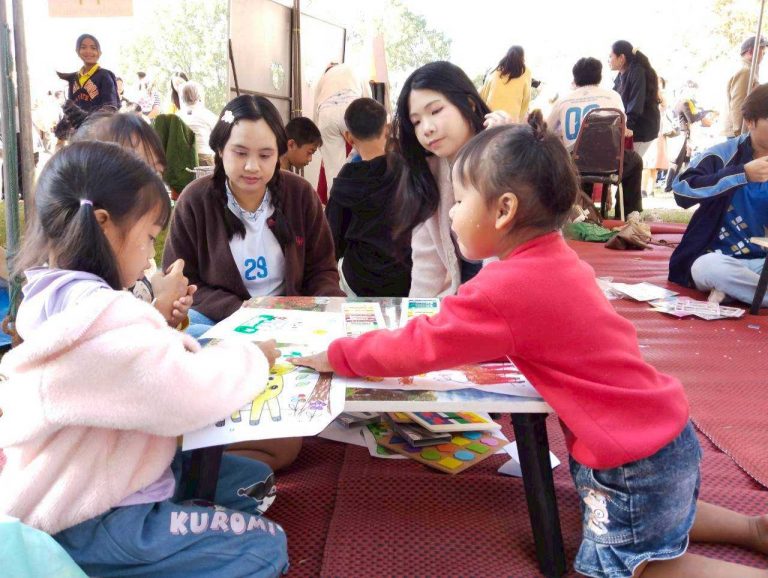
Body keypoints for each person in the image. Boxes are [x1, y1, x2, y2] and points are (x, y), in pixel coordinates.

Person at [296, 115, 768, 578]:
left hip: (630, 459)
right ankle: (753, 528)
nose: (452, 213)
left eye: (459, 201)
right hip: (661, 435)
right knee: (660, 513)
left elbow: (421, 345)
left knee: (637, 565)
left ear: (503, 210)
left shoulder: (505, 287)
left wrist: (340, 354)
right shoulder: (557, 257)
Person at [0, 141, 289, 577]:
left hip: (93, 479)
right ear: (103, 225)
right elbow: (185, 392)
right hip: (95, 515)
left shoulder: (52, 294)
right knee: (265, 547)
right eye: (149, 238)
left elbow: (142, 365)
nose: (151, 255)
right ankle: (104, 562)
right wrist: (253, 359)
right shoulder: (99, 315)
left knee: (252, 483)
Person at [163, 94, 344, 469]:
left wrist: (329, 309)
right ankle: (201, 438)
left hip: (292, 323)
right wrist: (244, 310)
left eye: (265, 155)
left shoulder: (299, 195)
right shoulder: (196, 201)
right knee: (188, 340)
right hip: (221, 321)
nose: (252, 166)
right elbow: (181, 281)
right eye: (240, 152)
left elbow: (323, 270)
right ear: (220, 149)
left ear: (280, 153)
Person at [392, 60, 510, 298]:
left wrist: (505, 149)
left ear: (469, 104)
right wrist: (416, 315)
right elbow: (427, 261)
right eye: (416, 121)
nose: (426, 128)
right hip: (467, 294)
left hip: (512, 294)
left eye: (435, 111)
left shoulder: (509, 153)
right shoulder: (429, 171)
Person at [72, 111, 196, 328]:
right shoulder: (84, 291)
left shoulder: (133, 252)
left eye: (156, 172)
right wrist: (161, 309)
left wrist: (170, 309)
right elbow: (125, 343)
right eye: (138, 171)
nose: (153, 186)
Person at [669, 84, 768, 308]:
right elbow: (681, 191)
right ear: (750, 121)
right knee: (709, 268)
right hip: (716, 258)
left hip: (762, 264)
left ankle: (737, 291)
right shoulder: (724, 154)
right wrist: (741, 174)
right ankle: (745, 290)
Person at [325, 97, 411, 297]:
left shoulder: (345, 180)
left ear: (349, 137)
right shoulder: (406, 170)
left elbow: (332, 240)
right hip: (406, 276)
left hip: (358, 279)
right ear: (387, 129)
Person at [547, 56, 644, 216]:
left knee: (576, 159)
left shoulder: (563, 100)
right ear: (599, 76)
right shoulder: (612, 96)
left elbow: (547, 130)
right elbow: (622, 128)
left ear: (575, 77)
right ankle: (628, 214)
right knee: (634, 161)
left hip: (575, 162)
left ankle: (582, 212)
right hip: (608, 160)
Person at [313, 62, 370, 188]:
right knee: (363, 157)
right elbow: (369, 102)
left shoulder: (323, 78)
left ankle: (336, 198)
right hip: (351, 108)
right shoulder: (355, 69)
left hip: (326, 114)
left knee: (333, 173)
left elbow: (315, 114)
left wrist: (322, 146)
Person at [54, 34, 119, 141]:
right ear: (77, 51)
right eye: (83, 47)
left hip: (100, 133)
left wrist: (87, 121)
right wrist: (67, 124)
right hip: (78, 132)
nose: (88, 51)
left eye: (93, 48)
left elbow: (110, 108)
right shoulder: (74, 78)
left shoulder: (105, 75)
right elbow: (71, 107)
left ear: (99, 53)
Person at [609, 40, 661, 158]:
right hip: (632, 127)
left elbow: (636, 105)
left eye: (610, 56)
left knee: (629, 165)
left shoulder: (637, 72)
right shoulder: (621, 76)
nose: (608, 60)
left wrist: (626, 128)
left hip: (641, 128)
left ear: (621, 58)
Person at [723, 36, 767, 138]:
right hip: (738, 132)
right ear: (751, 51)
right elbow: (739, 103)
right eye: (762, 50)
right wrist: (741, 135)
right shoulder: (745, 71)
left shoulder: (746, 69)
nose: (764, 55)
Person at [479, 45, 533, 123]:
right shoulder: (526, 72)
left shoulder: (496, 68)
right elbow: (526, 100)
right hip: (510, 121)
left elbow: (484, 94)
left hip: (490, 117)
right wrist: (519, 120)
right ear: (522, 57)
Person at [178, 80, 218, 166]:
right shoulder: (208, 115)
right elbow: (219, 136)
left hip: (183, 160)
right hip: (204, 157)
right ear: (199, 95)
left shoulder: (177, 116)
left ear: (182, 97)